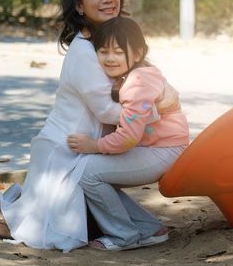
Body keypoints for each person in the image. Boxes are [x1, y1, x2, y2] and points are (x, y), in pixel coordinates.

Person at [0, 0, 176, 253]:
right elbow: (108, 111)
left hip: (93, 145)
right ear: (80, 6)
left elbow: (139, 84)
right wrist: (161, 107)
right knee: (45, 228)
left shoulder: (112, 39)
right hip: (67, 150)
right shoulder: (84, 51)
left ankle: (141, 228)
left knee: (92, 192)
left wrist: (152, 99)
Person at [66, 16, 189, 251]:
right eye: (103, 51)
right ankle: (149, 229)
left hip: (164, 150)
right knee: (95, 174)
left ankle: (124, 235)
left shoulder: (137, 82)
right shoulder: (136, 73)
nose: (110, 58)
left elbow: (128, 137)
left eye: (119, 52)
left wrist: (94, 145)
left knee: (87, 173)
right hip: (159, 146)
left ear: (138, 51)